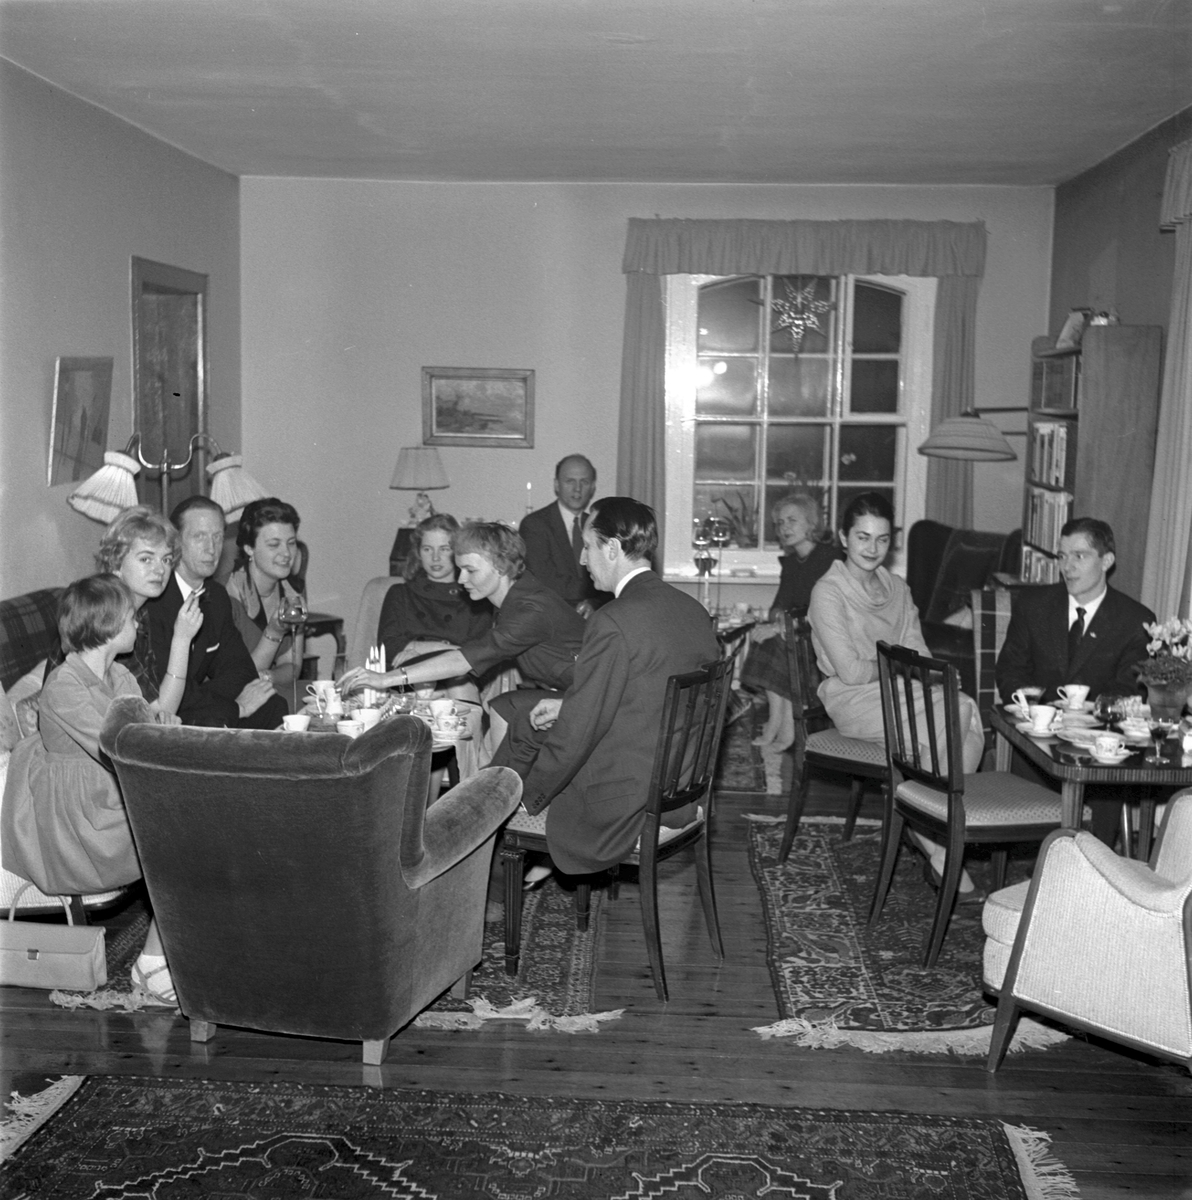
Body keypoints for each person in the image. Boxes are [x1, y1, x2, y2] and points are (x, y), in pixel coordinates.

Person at [512, 498, 721, 876]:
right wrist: (569, 705)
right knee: (546, 720)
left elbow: (580, 731)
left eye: (587, 547)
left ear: (611, 548)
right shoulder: (692, 609)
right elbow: (655, 691)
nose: (582, 559)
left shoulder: (613, 621)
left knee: (519, 759)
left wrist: (529, 797)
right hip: (680, 787)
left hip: (626, 802)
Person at [1, 575, 179, 1004]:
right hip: (77, 820)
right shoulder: (63, 686)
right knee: (176, 839)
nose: (137, 622)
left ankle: (176, 950)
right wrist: (158, 738)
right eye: (130, 617)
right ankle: (152, 964)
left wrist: (161, 729)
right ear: (108, 626)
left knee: (191, 825)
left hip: (111, 794)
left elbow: (137, 737)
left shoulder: (120, 675)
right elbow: (121, 747)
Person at [808, 492, 986, 898]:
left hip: (899, 692)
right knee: (958, 714)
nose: (873, 548)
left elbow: (918, 652)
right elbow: (852, 672)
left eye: (882, 539)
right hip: (852, 700)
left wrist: (933, 675)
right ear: (844, 537)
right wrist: (903, 667)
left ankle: (935, 839)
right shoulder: (828, 591)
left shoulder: (897, 589)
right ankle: (939, 840)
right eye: (863, 537)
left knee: (963, 710)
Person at [339, 522, 585, 755]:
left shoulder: (529, 610)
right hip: (572, 691)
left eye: (471, 570)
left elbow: (464, 659)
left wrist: (385, 678)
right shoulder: (515, 597)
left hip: (591, 696)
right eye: (460, 570)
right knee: (502, 710)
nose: (461, 580)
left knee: (504, 712)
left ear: (500, 567)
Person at [143, 495, 286, 729]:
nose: (211, 548)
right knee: (216, 717)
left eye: (217, 537)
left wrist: (218, 701)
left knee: (273, 705)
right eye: (199, 536)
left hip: (200, 704)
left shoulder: (216, 596)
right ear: (176, 542)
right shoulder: (154, 599)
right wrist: (233, 707)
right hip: (162, 711)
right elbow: (163, 690)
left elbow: (241, 671)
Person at [996, 517, 1154, 706]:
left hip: (1099, 722)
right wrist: (1037, 711)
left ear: (1106, 561)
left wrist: (1084, 715)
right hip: (1035, 719)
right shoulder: (1032, 606)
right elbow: (1011, 671)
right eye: (1062, 556)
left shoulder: (1136, 621)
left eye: (1079, 556)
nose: (1067, 567)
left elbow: (1129, 690)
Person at [737, 492, 842, 752]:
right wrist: (770, 623)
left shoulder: (830, 559)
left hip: (827, 643)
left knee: (779, 642)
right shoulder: (792, 563)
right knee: (771, 640)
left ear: (811, 523)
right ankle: (778, 724)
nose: (784, 528)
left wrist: (783, 626)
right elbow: (778, 607)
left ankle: (782, 729)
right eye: (780, 523)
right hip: (797, 637)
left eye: (792, 520)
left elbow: (827, 612)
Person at [94, 505, 203, 718]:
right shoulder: (107, 618)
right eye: (146, 559)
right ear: (116, 563)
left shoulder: (139, 612)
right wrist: (182, 639)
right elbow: (159, 713)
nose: (160, 570)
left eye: (166, 560)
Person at [375, 513, 493, 694]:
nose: (435, 558)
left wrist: (418, 651)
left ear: (458, 552)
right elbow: (388, 646)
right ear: (418, 553)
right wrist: (448, 650)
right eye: (427, 549)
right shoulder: (400, 593)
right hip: (406, 681)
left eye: (444, 549)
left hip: (456, 680)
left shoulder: (475, 597)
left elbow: (478, 655)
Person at [225, 498, 306, 696]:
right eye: (274, 544)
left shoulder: (292, 593)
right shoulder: (227, 595)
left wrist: (268, 677)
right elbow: (237, 678)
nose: (286, 553)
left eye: (291, 543)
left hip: (270, 689)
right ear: (249, 548)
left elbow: (293, 667)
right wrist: (274, 633)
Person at [519, 454, 609, 617]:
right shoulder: (534, 525)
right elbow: (544, 580)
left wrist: (593, 603)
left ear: (593, 487)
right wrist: (601, 587)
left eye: (584, 482)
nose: (577, 489)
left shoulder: (600, 526)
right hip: (550, 617)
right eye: (570, 481)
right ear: (556, 485)